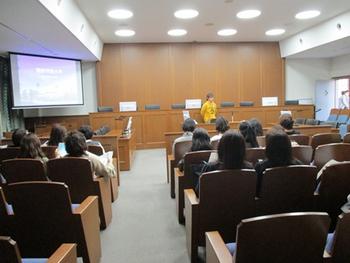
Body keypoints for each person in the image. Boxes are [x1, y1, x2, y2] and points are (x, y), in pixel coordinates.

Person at [255, 128, 302, 196]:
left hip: (266, 205)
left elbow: (256, 192)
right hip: (293, 203)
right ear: (288, 146)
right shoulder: (299, 165)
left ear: (268, 147)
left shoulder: (260, 167)